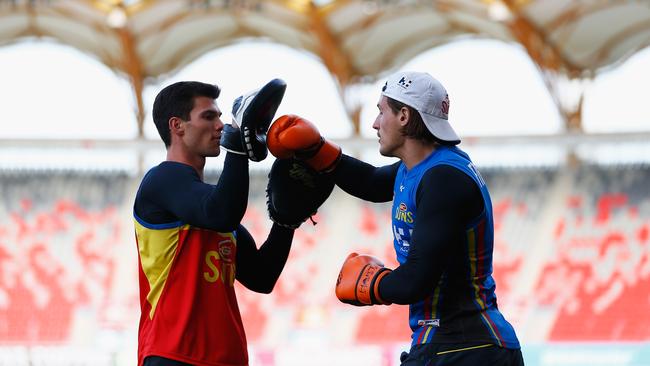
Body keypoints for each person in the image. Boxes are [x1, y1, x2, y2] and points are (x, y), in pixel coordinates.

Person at [266, 71, 524, 365]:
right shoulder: (421, 167)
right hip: (454, 343)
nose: (375, 123)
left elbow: (416, 281)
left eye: (381, 111)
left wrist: (373, 284)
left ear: (404, 116)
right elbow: (372, 182)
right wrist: (317, 149)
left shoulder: (443, 178)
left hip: (464, 347)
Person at [133, 80, 295, 366]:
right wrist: (237, 148)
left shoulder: (211, 203)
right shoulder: (161, 181)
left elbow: (262, 277)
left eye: (221, 117)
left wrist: (286, 221)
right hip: (174, 356)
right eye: (209, 116)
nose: (221, 125)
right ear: (177, 126)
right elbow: (221, 212)